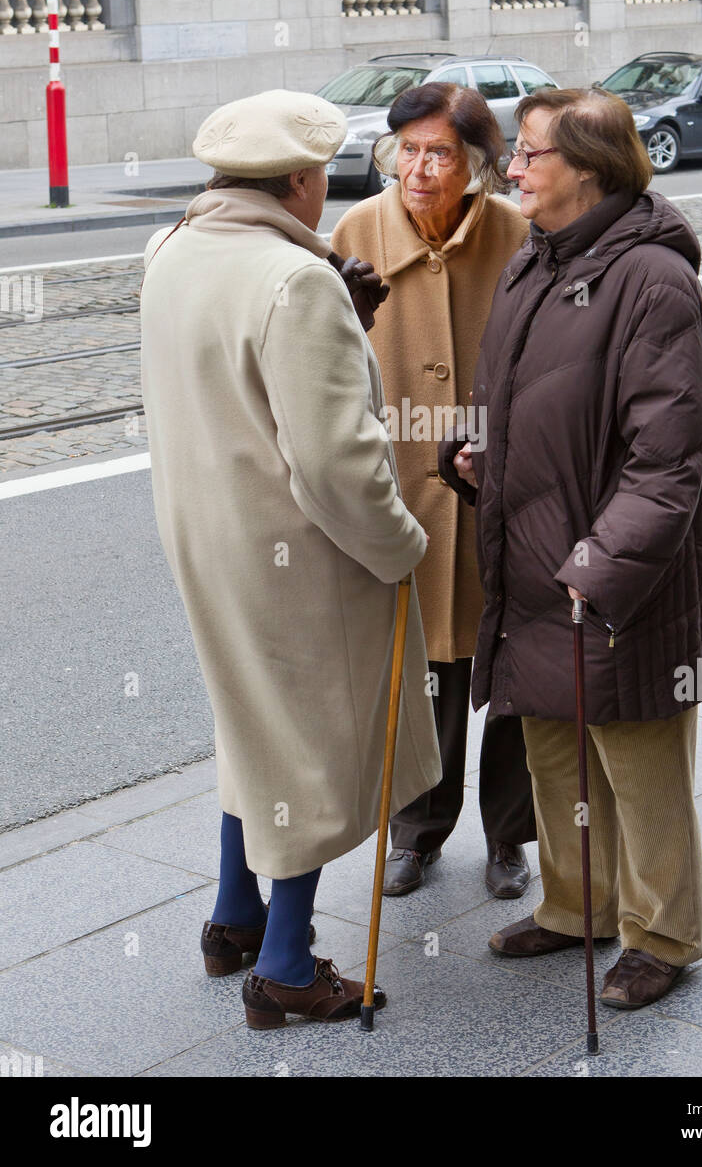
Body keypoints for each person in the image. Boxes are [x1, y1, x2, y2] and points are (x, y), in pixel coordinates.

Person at [139, 89, 441, 1027]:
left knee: (251, 722)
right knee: (309, 743)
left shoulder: (170, 249)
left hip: (205, 532)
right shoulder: (295, 281)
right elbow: (337, 465)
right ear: (306, 182)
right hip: (296, 556)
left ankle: (235, 916)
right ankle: (285, 964)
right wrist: (405, 544)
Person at [439, 87, 702, 1011]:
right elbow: (519, 395)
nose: (512, 169)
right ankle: (578, 906)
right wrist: (476, 454)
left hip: (617, 581)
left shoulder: (652, 279)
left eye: (530, 155)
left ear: (592, 169)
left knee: (637, 759)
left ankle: (665, 933)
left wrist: (597, 572)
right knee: (554, 749)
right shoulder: (537, 259)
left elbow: (668, 461)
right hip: (534, 558)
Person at [331, 81, 537, 900]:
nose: (418, 169)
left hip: (502, 488)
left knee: (514, 666)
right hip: (402, 490)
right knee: (424, 669)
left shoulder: (518, 235)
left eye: (439, 153)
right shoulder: (356, 233)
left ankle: (510, 836)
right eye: (406, 151)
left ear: (477, 165)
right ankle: (417, 832)